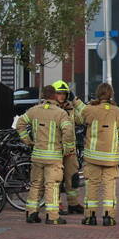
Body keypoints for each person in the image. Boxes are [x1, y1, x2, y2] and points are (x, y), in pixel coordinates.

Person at [15, 84, 76, 225]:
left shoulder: (34, 111)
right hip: (53, 157)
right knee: (52, 185)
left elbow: (20, 124)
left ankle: (31, 213)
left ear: (43, 96)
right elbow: (68, 132)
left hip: (37, 155)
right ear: (54, 95)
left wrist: (28, 140)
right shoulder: (60, 113)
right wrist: (67, 149)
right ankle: (52, 216)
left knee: (36, 184)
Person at [79, 83, 119, 226]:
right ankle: (108, 216)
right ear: (111, 94)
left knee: (92, 185)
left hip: (92, 156)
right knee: (109, 186)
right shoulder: (117, 111)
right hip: (110, 158)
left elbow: (79, 120)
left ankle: (90, 216)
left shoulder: (90, 110)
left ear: (97, 93)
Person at [52, 80, 85, 215]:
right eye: (59, 94)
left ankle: (73, 203)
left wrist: (75, 102)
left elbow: (82, 118)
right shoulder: (49, 109)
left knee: (73, 177)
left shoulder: (70, 108)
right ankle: (57, 204)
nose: (62, 96)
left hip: (70, 151)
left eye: (64, 94)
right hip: (56, 149)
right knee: (56, 178)